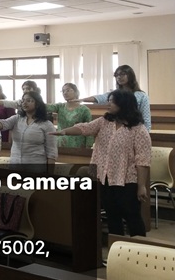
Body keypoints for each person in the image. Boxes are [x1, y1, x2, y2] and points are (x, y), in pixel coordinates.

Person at [54, 89, 151, 236]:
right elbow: (85, 128)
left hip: (127, 179)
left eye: (112, 102)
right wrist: (64, 132)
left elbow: (142, 160)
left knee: (132, 216)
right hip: (103, 176)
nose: (108, 104)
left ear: (124, 104)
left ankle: (139, 247)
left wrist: (141, 186)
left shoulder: (138, 129)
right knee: (112, 216)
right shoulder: (104, 122)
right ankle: (116, 245)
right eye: (109, 101)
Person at [0, 91, 57, 172]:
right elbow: (4, 123)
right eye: (23, 101)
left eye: (28, 100)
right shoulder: (17, 118)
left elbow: (51, 152)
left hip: (36, 166)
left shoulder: (47, 125)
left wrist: (50, 174)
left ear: (37, 104)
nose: (24, 103)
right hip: (15, 164)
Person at [78, 65, 151, 131]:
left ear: (130, 75)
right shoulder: (115, 94)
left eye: (122, 74)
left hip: (133, 128)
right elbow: (101, 97)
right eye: (116, 75)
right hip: (116, 128)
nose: (119, 77)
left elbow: (146, 119)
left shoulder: (142, 96)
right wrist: (82, 99)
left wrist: (145, 134)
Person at [46, 83, 94, 149]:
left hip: (78, 145)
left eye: (68, 90)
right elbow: (47, 107)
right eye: (63, 91)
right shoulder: (60, 106)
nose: (65, 93)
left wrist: (88, 146)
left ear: (76, 92)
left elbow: (89, 129)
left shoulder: (84, 110)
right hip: (60, 144)